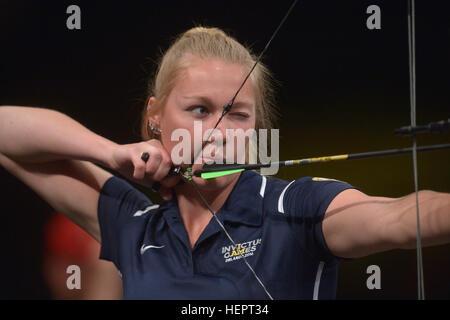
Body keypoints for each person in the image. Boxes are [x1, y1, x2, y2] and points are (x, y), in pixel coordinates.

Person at [0, 27, 448, 300]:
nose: (219, 131)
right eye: (199, 109)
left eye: (237, 114)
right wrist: (110, 153)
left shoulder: (294, 207)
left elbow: (402, 218)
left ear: (256, 129)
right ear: (156, 118)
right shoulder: (136, 224)